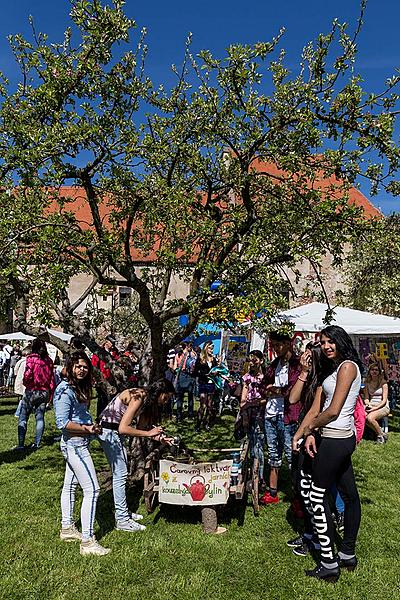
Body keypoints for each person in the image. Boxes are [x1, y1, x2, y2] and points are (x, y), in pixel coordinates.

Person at [293, 325, 362, 582]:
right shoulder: (336, 369)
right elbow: (317, 407)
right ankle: (347, 555)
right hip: (335, 438)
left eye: (330, 341)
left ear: (341, 341)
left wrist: (310, 428)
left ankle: (328, 562)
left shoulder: (347, 367)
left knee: (316, 495)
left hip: (335, 439)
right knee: (350, 495)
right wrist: (306, 433)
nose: (326, 346)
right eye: (323, 342)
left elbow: (333, 411)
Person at [98, 378, 175, 531]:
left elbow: (142, 428)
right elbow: (124, 428)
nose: (166, 402)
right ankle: (122, 520)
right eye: (166, 397)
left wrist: (160, 438)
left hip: (113, 432)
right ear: (160, 392)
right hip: (108, 431)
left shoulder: (146, 402)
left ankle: (123, 512)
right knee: (120, 474)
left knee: (121, 473)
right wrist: (148, 433)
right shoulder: (138, 396)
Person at [54, 351, 110, 556]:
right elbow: (62, 423)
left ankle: (67, 528)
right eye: (78, 366)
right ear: (70, 367)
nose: (82, 369)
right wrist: (87, 429)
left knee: (70, 485)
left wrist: (90, 427)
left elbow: (79, 415)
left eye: (85, 366)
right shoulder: (63, 390)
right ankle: (87, 541)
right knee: (93, 490)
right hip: (74, 445)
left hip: (79, 442)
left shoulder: (78, 388)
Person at [260, 332, 301, 505]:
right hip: (271, 414)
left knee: (292, 457)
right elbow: (263, 386)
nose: (275, 349)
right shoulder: (275, 364)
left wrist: (276, 390)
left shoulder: (297, 365)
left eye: (278, 345)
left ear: (287, 344)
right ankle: (272, 492)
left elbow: (292, 391)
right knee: (273, 454)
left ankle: (298, 497)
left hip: (288, 416)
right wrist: (273, 389)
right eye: (273, 346)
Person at [15, 339, 55, 450]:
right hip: (44, 392)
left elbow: (28, 374)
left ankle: (21, 444)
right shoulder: (49, 361)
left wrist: (26, 383)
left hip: (32, 390)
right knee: (40, 417)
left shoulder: (31, 359)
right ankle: (37, 443)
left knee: (23, 417)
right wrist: (51, 393)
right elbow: (52, 379)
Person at [240, 350, 266, 486]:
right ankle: (250, 472)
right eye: (250, 360)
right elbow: (243, 399)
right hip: (249, 413)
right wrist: (244, 411)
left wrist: (255, 403)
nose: (252, 363)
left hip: (261, 414)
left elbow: (267, 398)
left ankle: (259, 477)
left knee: (259, 445)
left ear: (261, 360)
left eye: (255, 360)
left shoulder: (265, 378)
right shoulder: (247, 378)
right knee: (250, 444)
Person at [193, 342, 218, 432]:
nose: (212, 350)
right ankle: (198, 424)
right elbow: (195, 372)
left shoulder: (214, 359)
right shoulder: (201, 358)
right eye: (210, 348)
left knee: (209, 405)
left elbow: (217, 370)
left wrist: (216, 373)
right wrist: (205, 374)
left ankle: (206, 424)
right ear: (206, 348)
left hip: (211, 384)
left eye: (212, 348)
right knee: (202, 404)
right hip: (203, 383)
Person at [364, 363, 389, 444]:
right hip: (371, 405)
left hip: (383, 406)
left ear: (379, 372)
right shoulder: (367, 382)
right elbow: (367, 398)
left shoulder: (383, 382)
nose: (374, 371)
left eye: (376, 370)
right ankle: (382, 433)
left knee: (370, 418)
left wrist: (375, 408)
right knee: (361, 415)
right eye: (372, 370)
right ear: (369, 371)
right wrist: (368, 404)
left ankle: (380, 436)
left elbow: (384, 400)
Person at [174, 342, 197, 420]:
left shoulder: (178, 355)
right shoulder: (192, 355)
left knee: (180, 397)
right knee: (190, 396)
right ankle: (190, 415)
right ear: (187, 346)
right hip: (189, 376)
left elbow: (174, 367)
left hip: (181, 375)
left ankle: (178, 415)